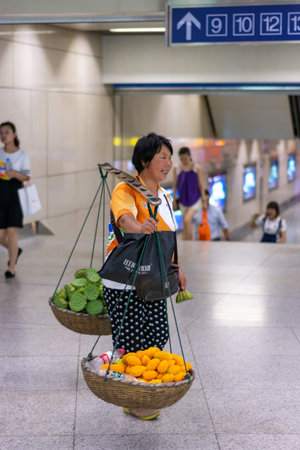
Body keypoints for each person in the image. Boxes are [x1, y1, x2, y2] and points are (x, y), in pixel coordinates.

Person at [102, 132, 187, 420]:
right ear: (144, 160)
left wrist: (177, 270)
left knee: (157, 335)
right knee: (133, 342)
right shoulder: (125, 190)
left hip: (152, 277)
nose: (168, 163)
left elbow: (168, 239)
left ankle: (142, 390)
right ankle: (133, 400)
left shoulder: (164, 195)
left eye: (169, 157)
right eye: (162, 157)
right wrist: (139, 226)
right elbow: (124, 218)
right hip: (125, 280)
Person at [0, 121, 31, 278]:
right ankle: (15, 251)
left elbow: (27, 176)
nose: (4, 135)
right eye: (1, 133)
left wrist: (14, 174)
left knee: (12, 232)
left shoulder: (22, 155)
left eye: (7, 132)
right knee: (0, 236)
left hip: (15, 196)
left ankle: (11, 268)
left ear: (14, 134)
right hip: (0, 195)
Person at [172, 147, 205, 240]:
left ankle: (190, 244)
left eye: (185, 159)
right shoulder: (177, 168)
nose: (183, 161)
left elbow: (201, 185)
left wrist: (204, 200)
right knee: (185, 225)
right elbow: (174, 185)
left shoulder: (196, 168)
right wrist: (174, 200)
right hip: (183, 201)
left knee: (187, 220)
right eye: (181, 159)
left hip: (195, 200)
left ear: (189, 156)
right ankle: (186, 244)